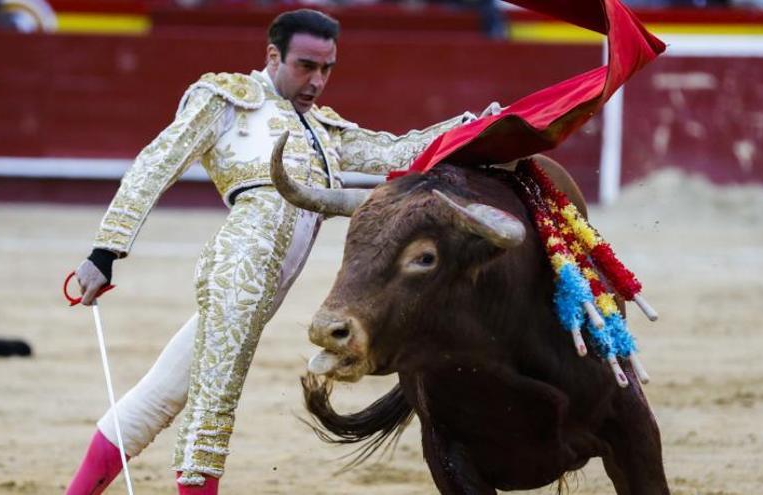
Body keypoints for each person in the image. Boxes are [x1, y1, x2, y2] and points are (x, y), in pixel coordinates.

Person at [66, 9, 489, 495]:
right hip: (239, 267)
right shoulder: (228, 100)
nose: (317, 80)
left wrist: (473, 127)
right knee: (214, 400)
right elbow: (156, 164)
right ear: (273, 55)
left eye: (327, 68)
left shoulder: (323, 130)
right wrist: (106, 250)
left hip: (267, 288)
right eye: (306, 65)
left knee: (160, 397)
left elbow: (395, 153)